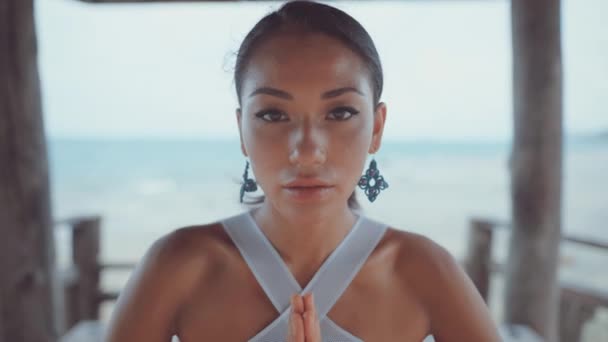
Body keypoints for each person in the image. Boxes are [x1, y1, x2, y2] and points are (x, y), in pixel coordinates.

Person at [105, 1, 501, 341]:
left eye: (340, 112)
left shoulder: (424, 272)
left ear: (376, 127)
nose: (308, 152)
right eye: (273, 114)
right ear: (242, 130)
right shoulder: (177, 268)